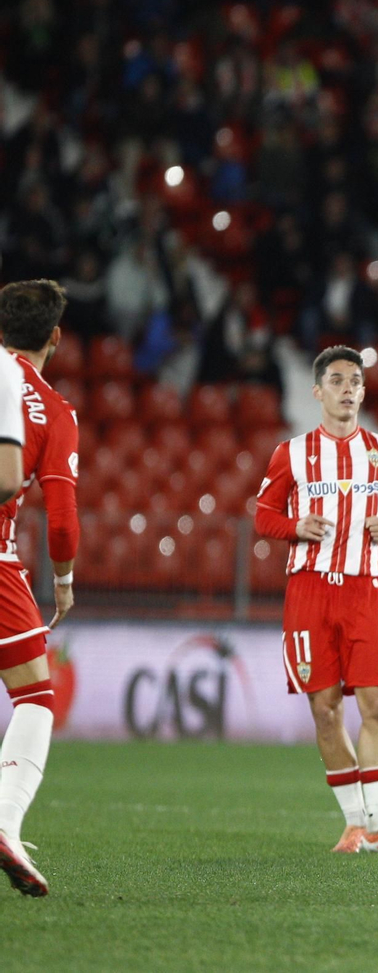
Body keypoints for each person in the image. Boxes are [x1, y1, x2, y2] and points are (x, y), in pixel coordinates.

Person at [253, 346, 378, 855]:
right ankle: (355, 824)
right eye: (336, 380)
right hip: (308, 590)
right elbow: (263, 516)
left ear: (363, 392)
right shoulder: (292, 453)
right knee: (325, 712)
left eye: (355, 381)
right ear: (318, 391)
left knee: (376, 705)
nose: (347, 388)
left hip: (365, 590)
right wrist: (294, 526)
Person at [0, 280, 77, 897]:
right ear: (55, 336)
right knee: (35, 697)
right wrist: (64, 579)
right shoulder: (51, 409)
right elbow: (61, 521)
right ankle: (4, 821)